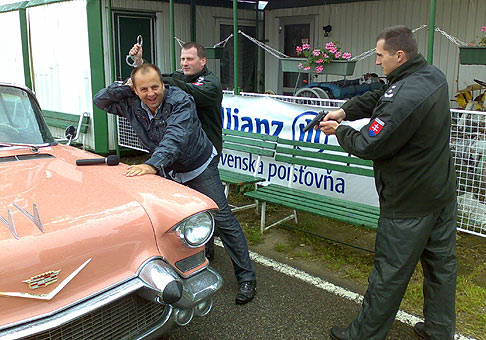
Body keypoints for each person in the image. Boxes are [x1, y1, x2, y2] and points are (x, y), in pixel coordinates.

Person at [318, 26, 457, 340]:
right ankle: (439, 329)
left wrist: (338, 131)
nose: (377, 61)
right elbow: (380, 94)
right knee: (442, 267)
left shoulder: (405, 96)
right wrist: (343, 111)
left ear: (399, 55)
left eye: (380, 55)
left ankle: (363, 334)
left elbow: (369, 143)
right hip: (441, 192)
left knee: (389, 274)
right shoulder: (429, 75)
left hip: (409, 202)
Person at [93, 63, 257, 304]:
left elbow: (175, 137)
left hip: (198, 165)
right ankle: (193, 259)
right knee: (176, 220)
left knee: (222, 217)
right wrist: (123, 87)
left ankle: (247, 278)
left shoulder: (181, 101)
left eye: (155, 87)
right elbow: (101, 101)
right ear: (135, 90)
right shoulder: (130, 101)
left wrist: (152, 165)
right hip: (170, 169)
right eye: (144, 89)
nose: (151, 94)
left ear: (163, 84)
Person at [130, 41, 222, 261]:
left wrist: (160, 81)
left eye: (189, 59)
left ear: (203, 60)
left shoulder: (211, 83)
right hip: (180, 154)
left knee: (208, 204)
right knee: (186, 204)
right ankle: (200, 244)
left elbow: (188, 90)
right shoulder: (179, 77)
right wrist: (140, 63)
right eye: (182, 59)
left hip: (205, 153)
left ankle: (209, 242)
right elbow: (155, 79)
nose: (184, 63)